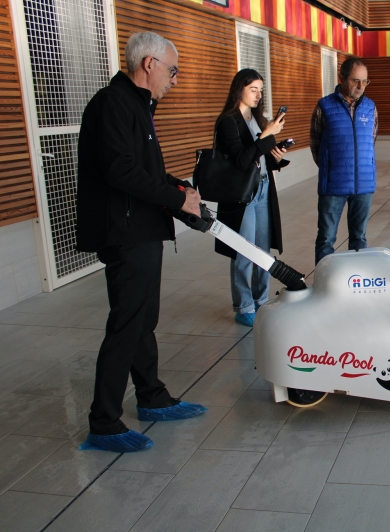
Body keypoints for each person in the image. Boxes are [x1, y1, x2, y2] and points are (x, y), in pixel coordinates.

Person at [76, 32, 207, 453]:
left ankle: (151, 397)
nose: (175, 79)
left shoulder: (137, 106)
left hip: (144, 229)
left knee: (142, 319)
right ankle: (104, 421)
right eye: (173, 70)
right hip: (126, 233)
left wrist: (177, 187)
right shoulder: (113, 104)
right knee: (127, 324)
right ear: (149, 64)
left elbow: (143, 171)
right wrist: (177, 199)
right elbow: (120, 172)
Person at [214, 69, 288, 327]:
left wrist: (276, 157)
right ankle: (244, 305)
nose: (258, 94)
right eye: (253, 89)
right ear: (240, 89)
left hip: (264, 188)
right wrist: (267, 135)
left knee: (262, 249)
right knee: (244, 250)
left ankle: (261, 300)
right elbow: (242, 160)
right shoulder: (228, 121)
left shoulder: (258, 119)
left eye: (260, 89)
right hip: (242, 194)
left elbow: (261, 156)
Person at [310, 57, 378, 265]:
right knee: (326, 239)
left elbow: (371, 141)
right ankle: (325, 286)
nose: (361, 86)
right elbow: (316, 144)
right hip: (333, 185)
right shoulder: (324, 106)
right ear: (341, 78)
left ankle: (354, 285)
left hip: (364, 185)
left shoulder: (370, 107)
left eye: (365, 81)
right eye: (356, 80)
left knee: (359, 239)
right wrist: (332, 167)